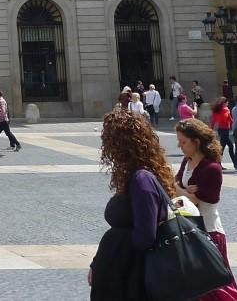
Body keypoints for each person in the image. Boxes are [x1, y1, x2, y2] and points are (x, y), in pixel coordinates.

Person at [89, 111, 213, 299]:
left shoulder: (142, 180)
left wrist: (113, 251)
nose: (106, 148)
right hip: (120, 269)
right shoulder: (135, 177)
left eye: (109, 141)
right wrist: (98, 262)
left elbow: (145, 235)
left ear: (121, 145)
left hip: (130, 274)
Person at [175, 118, 237, 300]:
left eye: (183, 142)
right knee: (196, 287)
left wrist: (180, 190)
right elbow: (180, 194)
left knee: (216, 287)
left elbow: (194, 202)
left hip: (209, 232)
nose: (180, 146)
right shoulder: (187, 162)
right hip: (189, 231)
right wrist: (184, 192)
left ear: (196, 142)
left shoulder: (212, 169)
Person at [210, 97, 235, 168]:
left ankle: (219, 163)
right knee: (226, 146)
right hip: (223, 129)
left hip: (223, 129)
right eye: (227, 102)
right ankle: (235, 162)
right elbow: (226, 119)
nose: (228, 103)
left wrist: (233, 123)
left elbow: (229, 119)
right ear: (224, 103)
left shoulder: (222, 110)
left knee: (224, 147)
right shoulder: (223, 110)